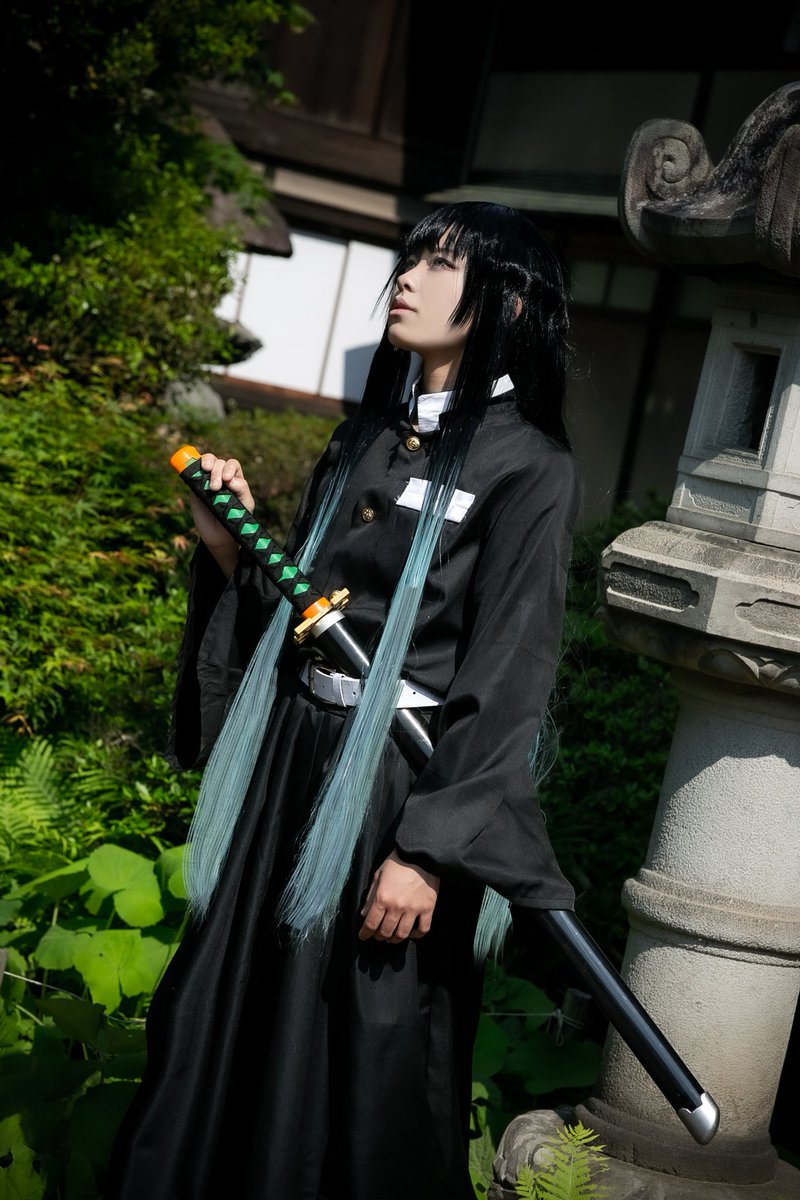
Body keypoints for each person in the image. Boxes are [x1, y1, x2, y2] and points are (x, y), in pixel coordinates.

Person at [104, 201, 582, 1200]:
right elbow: (299, 617)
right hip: (290, 764)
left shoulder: (531, 469)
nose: (405, 278)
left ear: (509, 303)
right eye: (409, 257)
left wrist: (427, 852)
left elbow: (507, 678)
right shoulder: (366, 437)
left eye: (439, 264)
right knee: (224, 1007)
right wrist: (227, 546)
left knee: (364, 1047)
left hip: (394, 794)